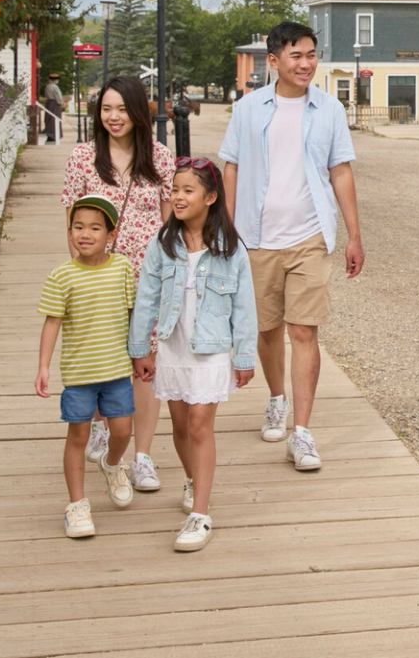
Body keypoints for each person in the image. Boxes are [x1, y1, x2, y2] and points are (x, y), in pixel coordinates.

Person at [222, 21, 365, 473]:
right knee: (266, 331)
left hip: (309, 237)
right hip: (257, 239)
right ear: (274, 61)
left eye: (311, 54)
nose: (306, 64)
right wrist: (226, 229)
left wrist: (354, 234)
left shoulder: (328, 110)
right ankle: (277, 398)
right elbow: (231, 168)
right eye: (296, 55)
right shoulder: (247, 109)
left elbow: (340, 170)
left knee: (304, 330)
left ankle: (302, 432)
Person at [129, 158, 257, 552]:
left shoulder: (231, 250)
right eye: (175, 189)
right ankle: (192, 478)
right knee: (181, 427)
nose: (178, 197)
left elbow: (245, 306)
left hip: (211, 348)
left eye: (188, 190)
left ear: (210, 197)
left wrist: (244, 356)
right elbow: (146, 299)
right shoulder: (162, 244)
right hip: (173, 345)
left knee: (201, 424)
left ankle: (199, 514)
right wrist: (140, 349)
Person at [58, 75, 174, 494]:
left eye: (122, 109)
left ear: (139, 112)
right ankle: (105, 428)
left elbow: (169, 224)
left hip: (146, 281)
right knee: (104, 362)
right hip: (99, 280)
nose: (114, 117)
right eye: (106, 109)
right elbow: (72, 221)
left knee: (145, 368)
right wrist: (79, 274)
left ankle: (142, 456)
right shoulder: (83, 158)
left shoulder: (159, 158)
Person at [35, 195, 137, 539]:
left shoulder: (122, 267)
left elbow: (132, 313)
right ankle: (77, 504)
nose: (85, 234)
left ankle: (112, 465)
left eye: (95, 227)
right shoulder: (62, 275)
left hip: (117, 371)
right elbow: (52, 322)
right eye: (78, 227)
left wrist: (142, 356)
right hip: (79, 375)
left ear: (111, 233)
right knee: (78, 435)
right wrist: (44, 367)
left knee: (122, 431)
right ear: (69, 232)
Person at [43, 77, 64, 143]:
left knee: (49, 119)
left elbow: (45, 95)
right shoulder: (55, 87)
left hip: (48, 103)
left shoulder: (47, 86)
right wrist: (61, 103)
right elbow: (58, 96)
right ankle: (54, 135)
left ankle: (49, 134)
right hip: (55, 104)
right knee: (55, 119)